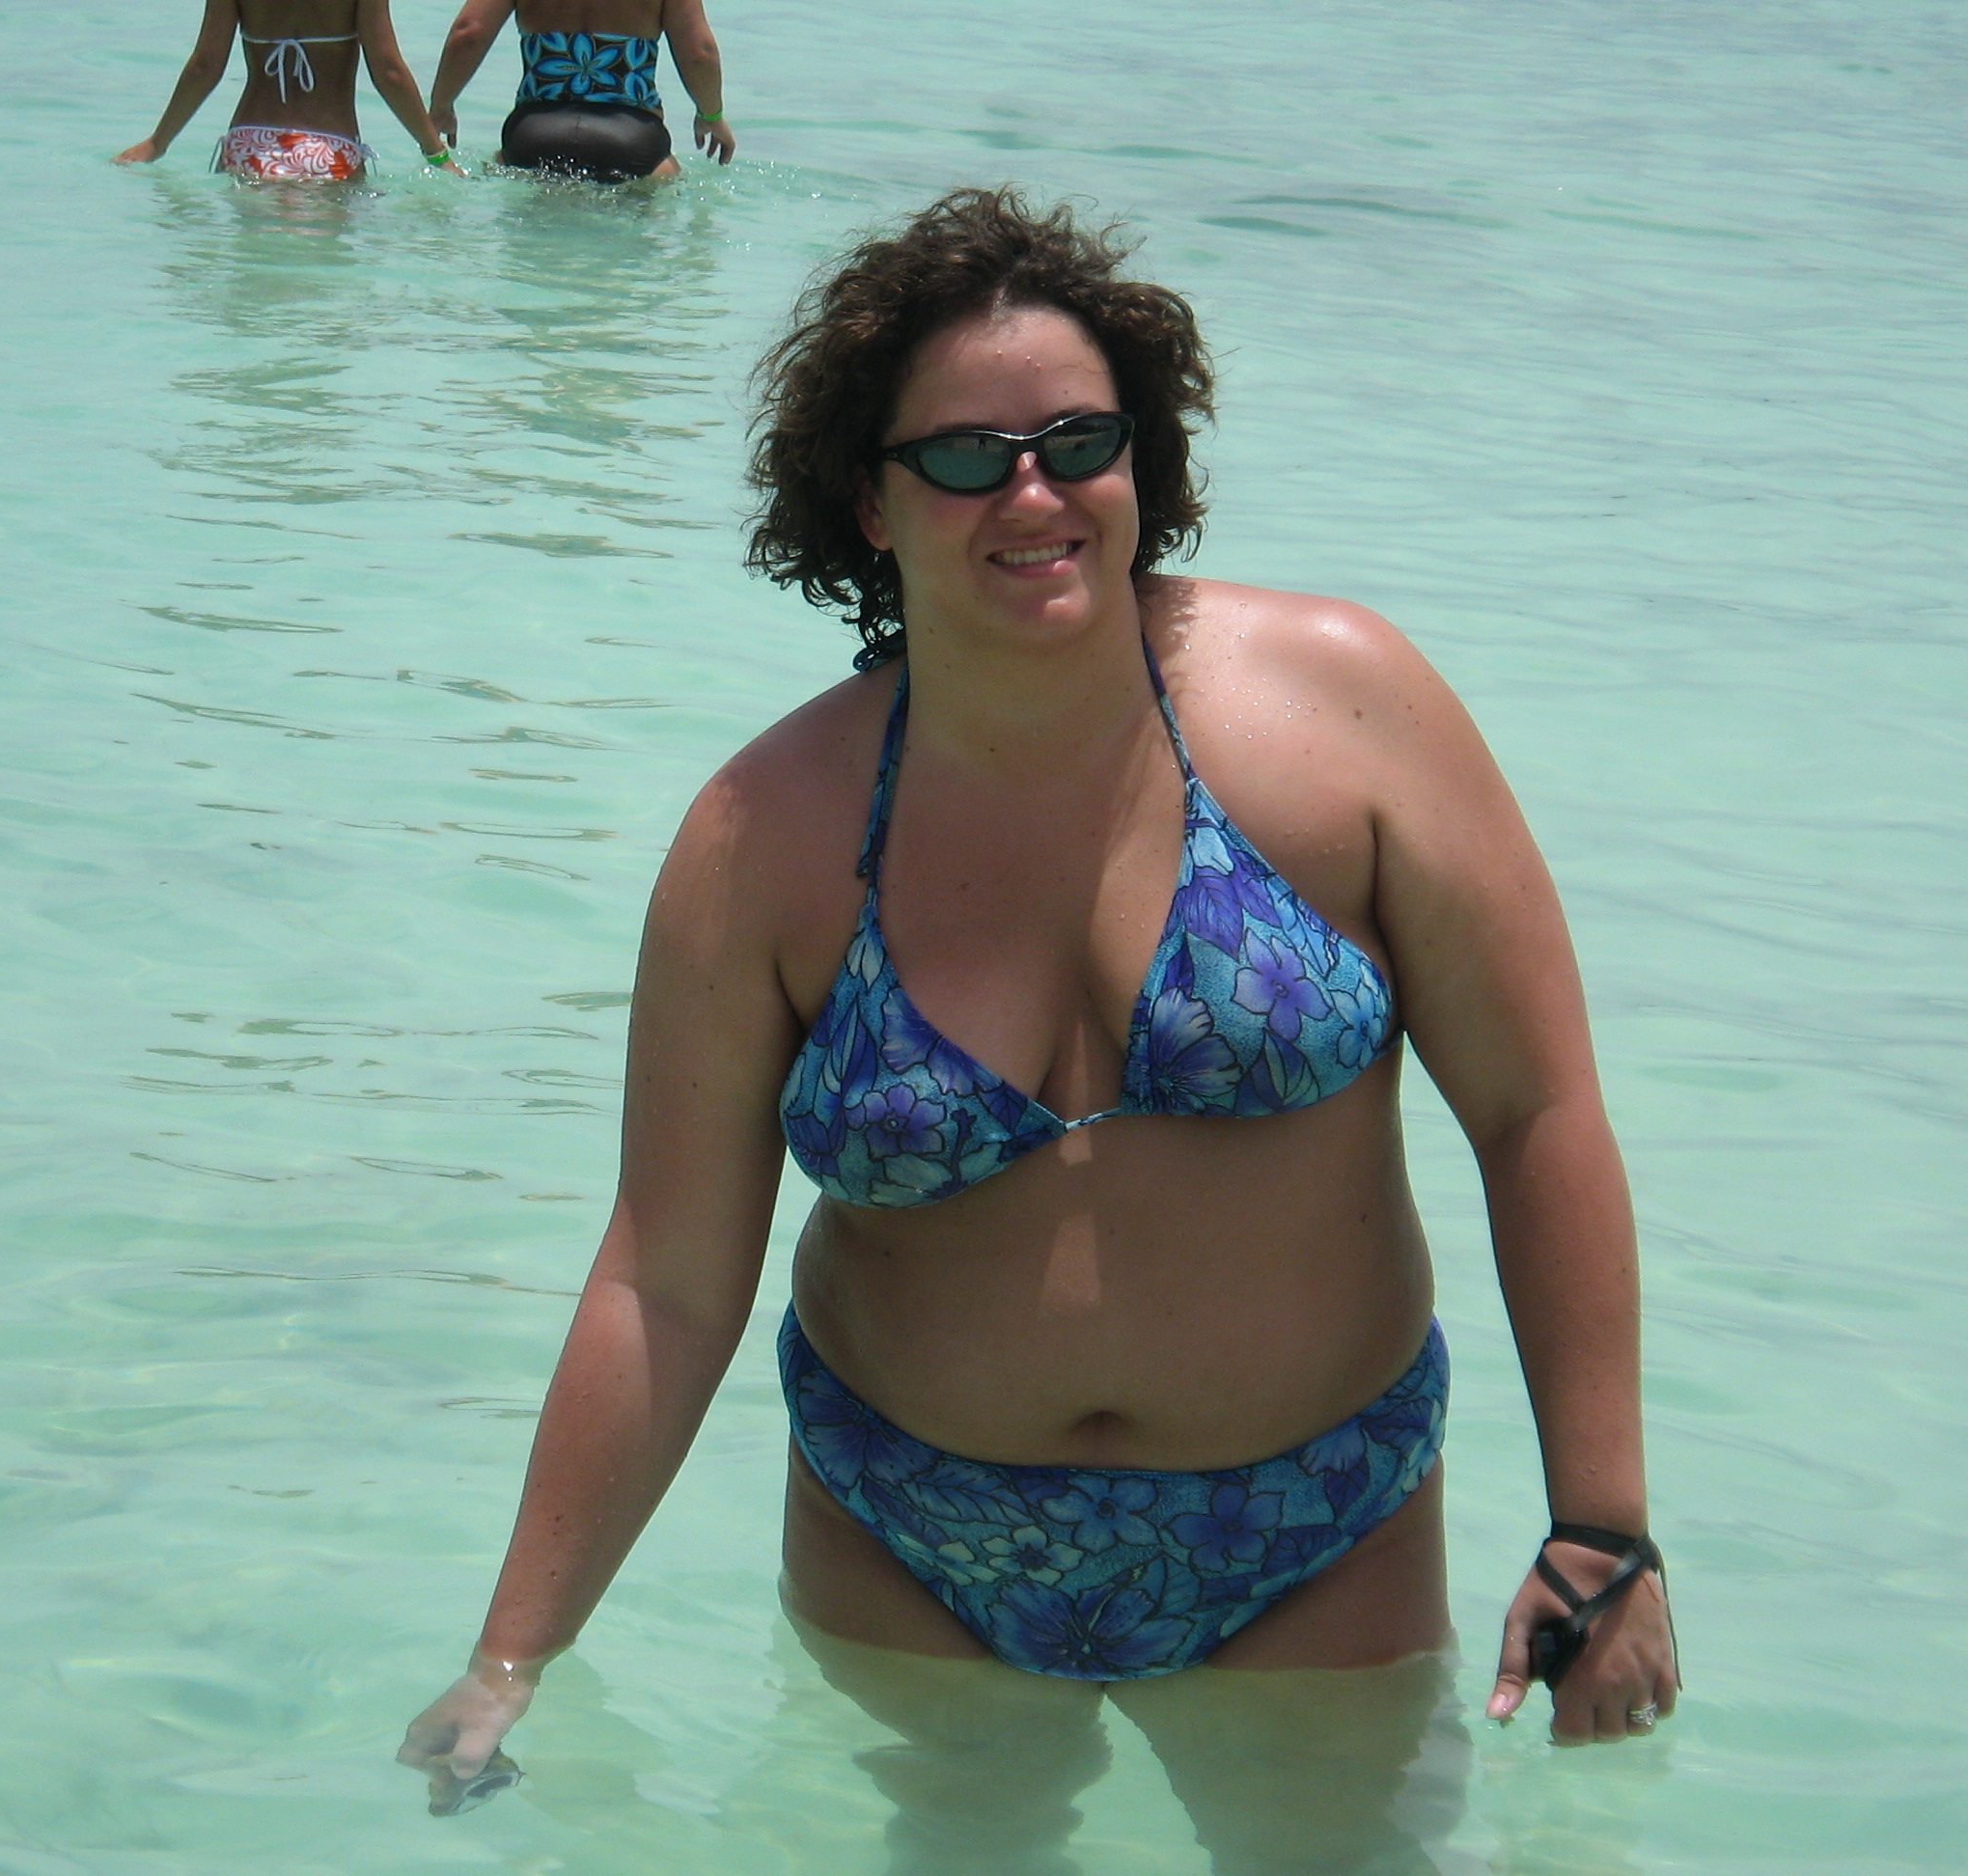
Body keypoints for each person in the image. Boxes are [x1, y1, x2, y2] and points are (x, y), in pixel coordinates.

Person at [400, 188, 1679, 1835]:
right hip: (909, 1541)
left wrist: (1604, 1522)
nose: (1032, 489)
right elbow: (664, 1271)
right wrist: (514, 1654)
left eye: (1080, 438)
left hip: (1316, 1530)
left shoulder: (1345, 714)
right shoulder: (763, 839)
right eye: (961, 456)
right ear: (864, 499)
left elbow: (1537, 1112)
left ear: (1144, 460)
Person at [115, 0, 458, 181]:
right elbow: (388, 71)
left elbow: (205, 65)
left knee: (252, 289)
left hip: (249, 146)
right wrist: (435, 153)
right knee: (326, 297)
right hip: (329, 150)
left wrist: (157, 142)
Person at [423, 0, 734, 184]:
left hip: (533, 136)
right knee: (664, 179)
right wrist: (711, 114)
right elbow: (699, 53)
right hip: (633, 140)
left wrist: (441, 105)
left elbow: (469, 33)